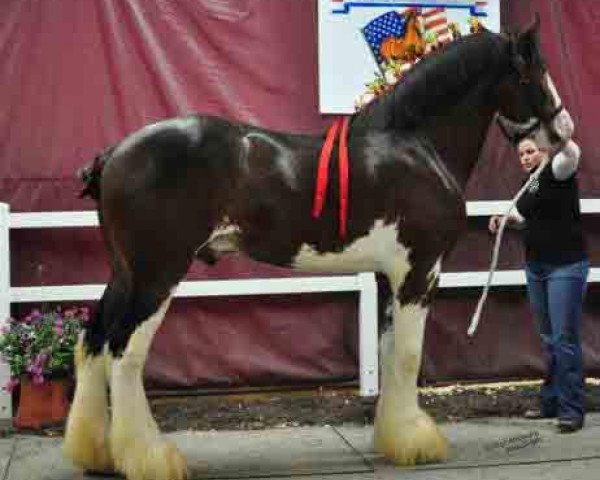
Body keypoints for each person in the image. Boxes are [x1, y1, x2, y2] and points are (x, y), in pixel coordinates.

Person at [488, 136, 588, 433]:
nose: (525, 158)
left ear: (545, 150)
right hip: (537, 267)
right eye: (521, 154)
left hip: (565, 266)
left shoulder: (559, 169)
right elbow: (524, 215)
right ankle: (551, 402)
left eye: (530, 151)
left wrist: (558, 132)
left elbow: (572, 151)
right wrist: (505, 221)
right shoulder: (531, 183)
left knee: (563, 339)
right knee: (549, 340)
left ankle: (572, 410)